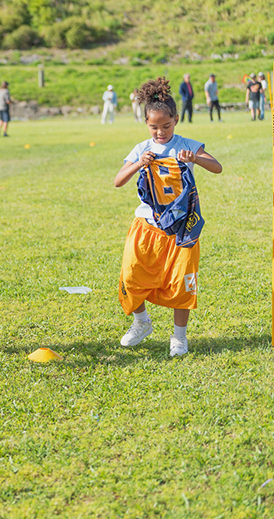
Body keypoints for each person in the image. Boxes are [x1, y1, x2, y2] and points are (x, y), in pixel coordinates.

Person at [113, 77, 222, 357]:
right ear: (146, 123)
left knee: (181, 283)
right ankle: (142, 323)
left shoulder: (187, 144)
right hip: (146, 227)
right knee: (131, 275)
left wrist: (195, 159)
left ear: (176, 119)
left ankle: (179, 338)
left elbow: (217, 167)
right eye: (154, 127)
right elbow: (118, 180)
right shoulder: (141, 149)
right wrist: (139, 163)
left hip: (181, 229)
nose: (160, 132)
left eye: (166, 126)